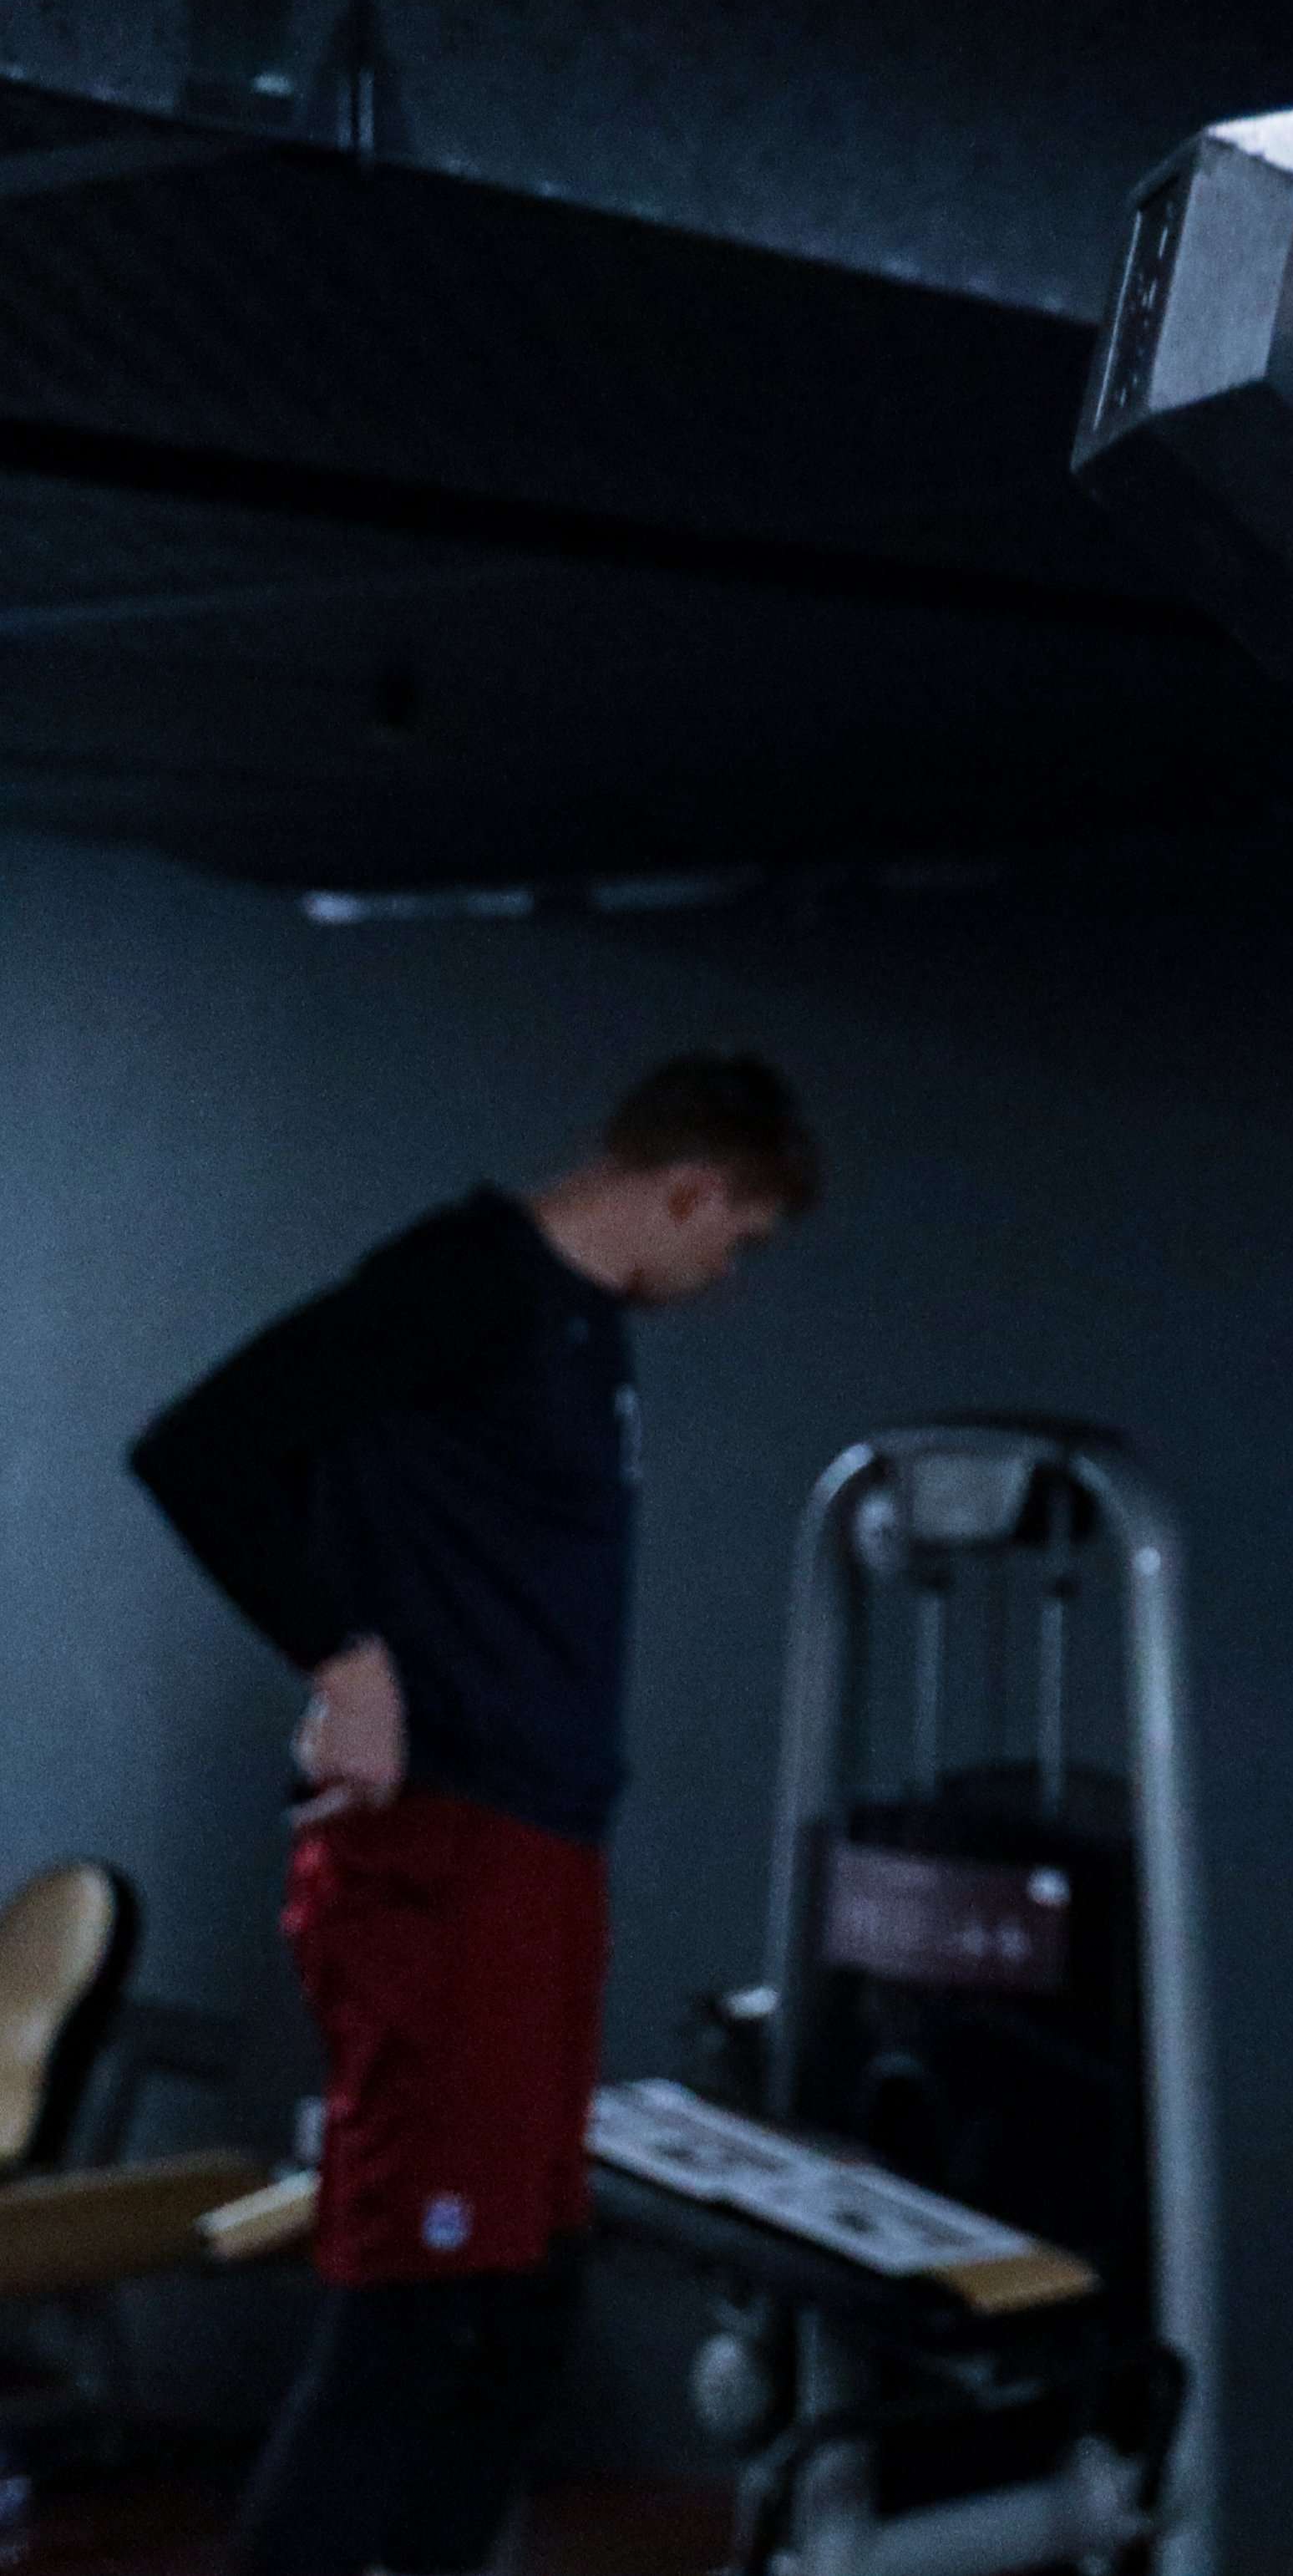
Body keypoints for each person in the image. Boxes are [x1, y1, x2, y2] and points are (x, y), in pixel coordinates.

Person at [129, 1054, 819, 2576]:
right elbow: (197, 1447)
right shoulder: (464, 1285)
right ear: (690, 1188)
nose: (724, 1274)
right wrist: (345, 1656)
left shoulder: (579, 1328)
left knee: (521, 2298)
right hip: (442, 1850)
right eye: (739, 1240)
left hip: (540, 1851)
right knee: (418, 2308)